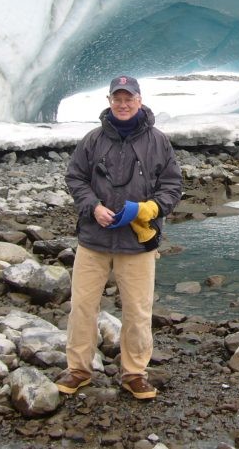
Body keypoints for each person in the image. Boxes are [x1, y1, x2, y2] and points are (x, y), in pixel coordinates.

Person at [55, 75, 182, 400]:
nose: (123, 104)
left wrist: (149, 208)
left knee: (138, 311)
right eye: (117, 98)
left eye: (129, 98)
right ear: (110, 101)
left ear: (139, 100)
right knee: (82, 306)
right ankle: (79, 369)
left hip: (137, 242)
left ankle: (134, 373)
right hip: (93, 239)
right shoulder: (93, 140)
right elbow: (75, 178)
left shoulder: (158, 142)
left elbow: (172, 186)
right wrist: (92, 207)